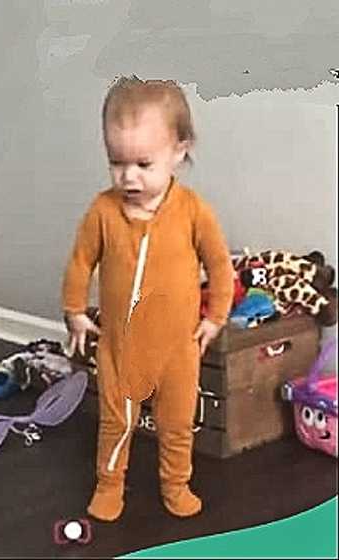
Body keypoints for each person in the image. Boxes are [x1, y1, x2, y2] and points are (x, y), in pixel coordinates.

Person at [62, 76, 234, 521]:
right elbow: (81, 261)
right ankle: (110, 484)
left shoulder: (193, 210)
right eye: (116, 163)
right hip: (120, 348)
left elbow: (219, 266)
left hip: (178, 348)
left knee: (177, 426)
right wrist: (75, 312)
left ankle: (176, 484)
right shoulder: (103, 211)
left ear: (179, 151)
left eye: (142, 163)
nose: (128, 177)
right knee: (115, 423)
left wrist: (215, 318)